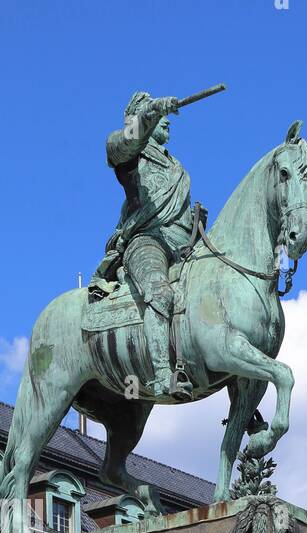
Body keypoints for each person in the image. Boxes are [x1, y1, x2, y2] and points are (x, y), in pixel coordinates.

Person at [91, 91, 200, 400]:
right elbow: (129, 140)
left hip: (183, 243)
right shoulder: (125, 150)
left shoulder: (174, 165)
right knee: (160, 291)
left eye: (162, 116)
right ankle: (163, 375)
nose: (166, 121)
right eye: (155, 116)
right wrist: (152, 112)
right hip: (147, 240)